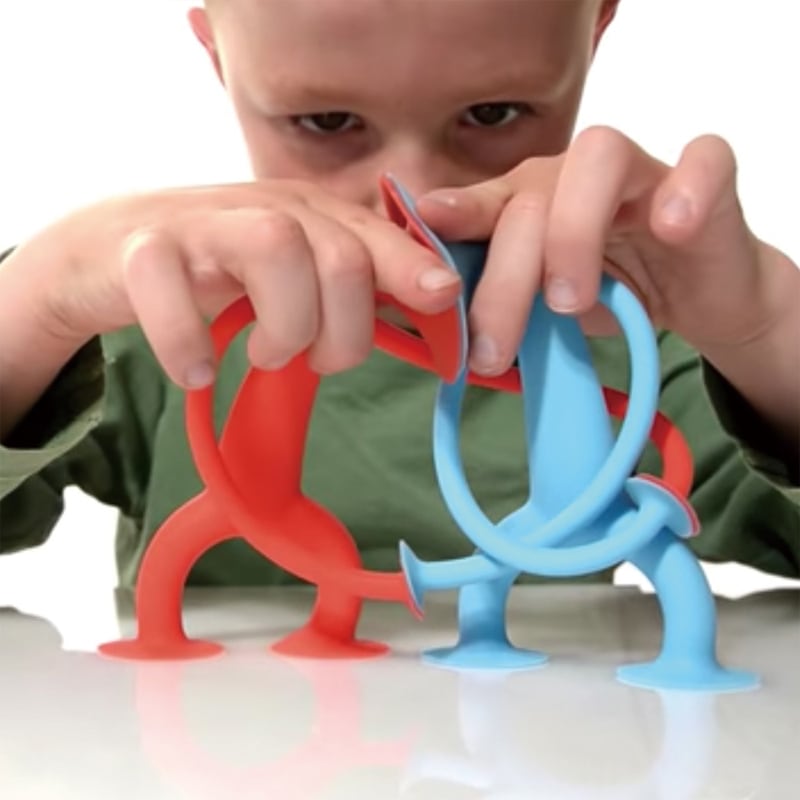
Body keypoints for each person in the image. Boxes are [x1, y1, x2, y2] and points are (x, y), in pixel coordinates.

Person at [0, 0, 797, 590]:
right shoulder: (158, 323)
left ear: (593, 33)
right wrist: (36, 299)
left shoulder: (632, 334)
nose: (414, 198)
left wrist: (766, 329)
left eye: (493, 113)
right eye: (326, 120)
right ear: (218, 57)